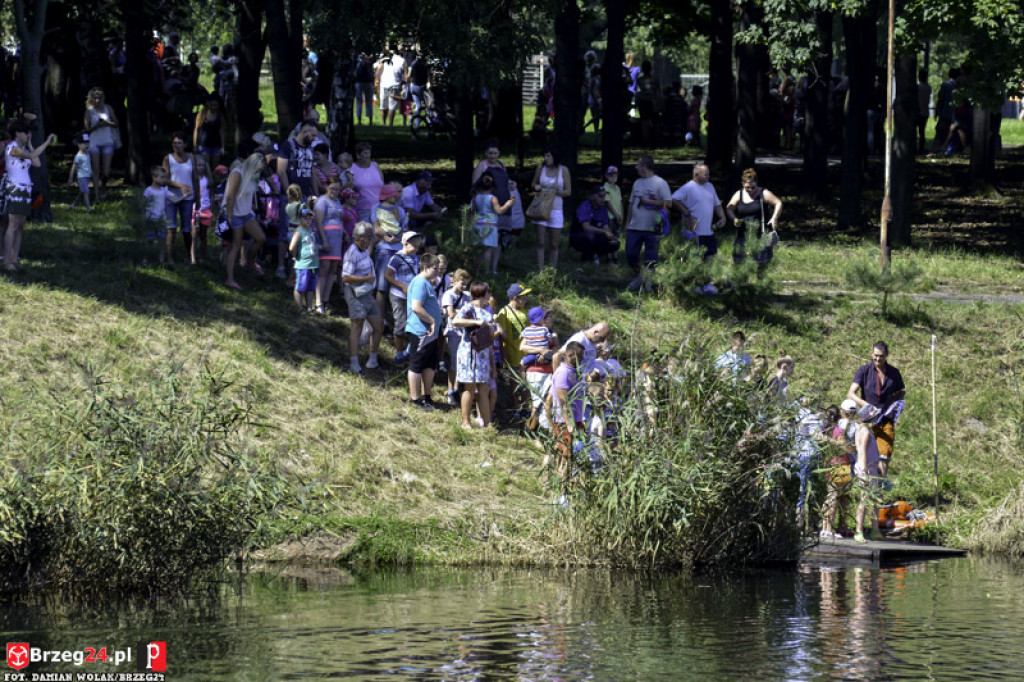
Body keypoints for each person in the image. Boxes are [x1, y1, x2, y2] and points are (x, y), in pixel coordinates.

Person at [2, 120, 55, 271]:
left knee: (20, 227)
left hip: (25, 190)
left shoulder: (24, 148)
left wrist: (31, 143)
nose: (28, 135)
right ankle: (6, 261)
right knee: (12, 225)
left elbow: (36, 162)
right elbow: (33, 155)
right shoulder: (12, 148)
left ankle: (15, 258)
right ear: (17, 133)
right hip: (15, 189)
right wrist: (46, 143)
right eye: (25, 132)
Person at [846, 341, 905, 477]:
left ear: (887, 355)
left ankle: (879, 487)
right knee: (866, 458)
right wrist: (866, 405)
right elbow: (851, 393)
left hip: (886, 421)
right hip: (868, 421)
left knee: (884, 458)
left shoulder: (894, 373)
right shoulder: (864, 371)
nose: (878, 359)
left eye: (881, 356)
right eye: (876, 355)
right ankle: (865, 486)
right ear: (872, 353)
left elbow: (901, 391)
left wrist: (896, 404)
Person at [623, 155, 672, 292]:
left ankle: (649, 285)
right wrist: (627, 223)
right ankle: (640, 277)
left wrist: (649, 202)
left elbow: (668, 203)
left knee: (651, 259)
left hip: (653, 227)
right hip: (635, 226)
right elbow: (631, 204)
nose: (636, 167)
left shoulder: (660, 183)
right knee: (630, 255)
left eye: (638, 165)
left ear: (644, 166)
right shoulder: (637, 182)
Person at [222, 144, 268, 291]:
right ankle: (230, 279)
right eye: (258, 169)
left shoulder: (251, 176)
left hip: (246, 213)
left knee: (261, 238)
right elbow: (230, 196)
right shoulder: (238, 173)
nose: (259, 172)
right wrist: (229, 216)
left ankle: (250, 262)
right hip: (235, 214)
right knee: (236, 246)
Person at [453, 281, 496, 429]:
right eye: (488, 291)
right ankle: (466, 422)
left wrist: (490, 328)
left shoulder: (487, 311)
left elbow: (491, 335)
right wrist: (476, 322)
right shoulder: (468, 307)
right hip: (469, 351)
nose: (490, 294)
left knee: (484, 388)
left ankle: (486, 423)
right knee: (469, 387)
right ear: (482, 293)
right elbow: (455, 321)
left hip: (483, 352)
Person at [725, 168, 783, 277]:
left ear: (756, 183)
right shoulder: (739, 194)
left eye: (753, 186)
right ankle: (740, 285)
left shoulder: (763, 193)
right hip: (743, 234)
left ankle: (761, 286)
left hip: (761, 235)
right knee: (739, 261)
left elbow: (778, 203)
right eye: (747, 187)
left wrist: (774, 217)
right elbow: (729, 208)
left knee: (762, 263)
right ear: (742, 184)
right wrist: (734, 219)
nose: (750, 189)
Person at [342, 222, 383, 373]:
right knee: (357, 325)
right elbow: (345, 277)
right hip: (355, 294)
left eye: (369, 236)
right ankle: (354, 364)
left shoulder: (364, 250)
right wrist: (365, 279)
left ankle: (372, 360)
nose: (368, 239)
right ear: (359, 237)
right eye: (367, 236)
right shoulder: (352, 253)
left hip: (367, 294)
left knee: (378, 326)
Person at [406, 253, 443, 410]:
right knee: (417, 364)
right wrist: (432, 320)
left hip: (430, 333)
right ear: (425, 267)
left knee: (429, 364)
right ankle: (415, 399)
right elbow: (416, 306)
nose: (437, 272)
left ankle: (427, 397)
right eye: (435, 268)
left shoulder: (427, 282)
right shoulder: (420, 282)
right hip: (420, 331)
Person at [550, 340, 586, 499]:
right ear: (570, 355)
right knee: (564, 458)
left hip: (576, 421)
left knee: (574, 459)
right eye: (580, 356)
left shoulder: (572, 370)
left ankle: (570, 492)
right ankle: (561, 495)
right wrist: (569, 423)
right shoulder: (564, 372)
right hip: (566, 423)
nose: (582, 359)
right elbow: (563, 400)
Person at [672, 162, 726, 263]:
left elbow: (717, 204)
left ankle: (708, 278)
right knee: (694, 261)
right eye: (706, 174)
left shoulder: (710, 186)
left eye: (708, 174)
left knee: (711, 259)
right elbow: (673, 199)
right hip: (694, 233)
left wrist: (722, 217)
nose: (708, 176)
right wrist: (684, 211)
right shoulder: (688, 187)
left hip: (709, 232)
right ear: (697, 175)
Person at [820, 399, 858, 540]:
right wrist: (853, 447)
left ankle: (826, 528)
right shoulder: (840, 430)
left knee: (831, 496)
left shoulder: (829, 430)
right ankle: (829, 528)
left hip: (832, 464)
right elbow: (843, 446)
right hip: (841, 465)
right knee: (835, 497)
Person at [530, 147, 572, 271]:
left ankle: (552, 269)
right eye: (545, 155)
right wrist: (536, 187)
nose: (546, 158)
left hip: (556, 208)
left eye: (549, 156)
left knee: (554, 243)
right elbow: (533, 184)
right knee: (540, 241)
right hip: (541, 207)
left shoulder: (563, 170)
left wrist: (556, 192)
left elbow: (568, 191)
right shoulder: (540, 168)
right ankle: (540, 270)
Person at [162, 131, 198, 264]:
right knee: (171, 228)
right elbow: (164, 179)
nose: (177, 145)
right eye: (175, 143)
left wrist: (198, 198)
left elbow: (195, 178)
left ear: (185, 144)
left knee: (187, 229)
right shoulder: (168, 159)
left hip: (188, 197)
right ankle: (169, 257)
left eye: (179, 143)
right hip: (171, 198)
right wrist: (179, 185)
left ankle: (189, 255)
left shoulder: (191, 158)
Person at [385, 231, 422, 363]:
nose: (417, 249)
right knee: (400, 324)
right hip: (399, 296)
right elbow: (388, 276)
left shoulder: (416, 258)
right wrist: (402, 287)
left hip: (413, 296)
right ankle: (399, 353)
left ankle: (409, 350)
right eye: (414, 246)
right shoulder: (396, 258)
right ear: (405, 244)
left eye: (418, 246)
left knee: (415, 324)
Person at [520, 306, 559, 430]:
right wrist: (541, 351)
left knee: (548, 403)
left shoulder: (552, 332)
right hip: (536, 370)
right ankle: (531, 429)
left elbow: (558, 349)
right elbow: (522, 347)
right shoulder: (536, 331)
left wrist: (548, 353)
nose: (551, 320)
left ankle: (544, 430)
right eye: (549, 317)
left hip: (550, 370)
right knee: (537, 404)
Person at [471, 171, 515, 275]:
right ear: (492, 187)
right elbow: (499, 211)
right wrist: (508, 204)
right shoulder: (492, 198)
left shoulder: (475, 198)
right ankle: (486, 272)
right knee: (488, 250)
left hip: (477, 225)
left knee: (478, 250)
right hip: (490, 226)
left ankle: (476, 271)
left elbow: (473, 214)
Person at [313, 177, 345, 315]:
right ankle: (318, 302)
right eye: (332, 188)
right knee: (324, 269)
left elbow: (339, 219)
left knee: (332, 270)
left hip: (337, 238)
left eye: (337, 189)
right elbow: (319, 223)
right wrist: (324, 240)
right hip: (325, 237)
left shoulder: (337, 201)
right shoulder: (322, 201)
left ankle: (326, 299)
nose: (334, 192)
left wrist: (344, 233)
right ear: (326, 187)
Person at [852, 404, 884, 544]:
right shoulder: (864, 431)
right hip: (866, 470)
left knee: (874, 500)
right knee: (864, 500)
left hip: (872, 469)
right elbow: (862, 452)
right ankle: (858, 531)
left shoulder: (866, 430)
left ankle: (875, 530)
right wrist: (864, 472)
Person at [442, 268, 472, 406]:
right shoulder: (448, 295)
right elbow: (451, 314)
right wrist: (462, 312)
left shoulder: (466, 297)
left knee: (461, 363)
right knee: (454, 362)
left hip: (464, 333)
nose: (464, 286)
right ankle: (450, 391)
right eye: (462, 283)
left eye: (466, 284)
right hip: (454, 332)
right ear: (453, 281)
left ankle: (456, 388)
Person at [82, 88, 119, 199]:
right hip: (94, 143)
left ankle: (103, 185)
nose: (97, 100)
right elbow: (86, 129)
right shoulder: (89, 112)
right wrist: (97, 126)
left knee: (106, 171)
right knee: (96, 169)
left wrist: (107, 123)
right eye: (95, 98)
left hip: (108, 141)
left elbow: (116, 123)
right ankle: (97, 195)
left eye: (99, 98)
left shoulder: (108, 108)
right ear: (91, 99)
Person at [570, 185, 619, 263]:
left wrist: (611, 237)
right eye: (600, 196)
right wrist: (604, 232)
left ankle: (595, 255)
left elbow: (605, 226)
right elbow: (586, 227)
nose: (603, 199)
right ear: (592, 197)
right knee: (589, 236)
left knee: (615, 244)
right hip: (578, 236)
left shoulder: (603, 208)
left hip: (596, 235)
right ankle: (586, 259)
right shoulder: (585, 206)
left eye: (604, 196)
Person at [495, 282, 531, 371]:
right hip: (512, 355)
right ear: (514, 298)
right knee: (515, 382)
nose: (525, 298)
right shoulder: (504, 312)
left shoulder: (525, 311)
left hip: (527, 354)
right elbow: (501, 336)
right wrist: (503, 354)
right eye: (523, 296)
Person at [277, 122, 318, 201]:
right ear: (305, 132)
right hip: (290, 195)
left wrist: (316, 195)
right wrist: (289, 194)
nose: (314, 138)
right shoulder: (288, 145)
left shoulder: (310, 149)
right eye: (313, 135)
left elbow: (312, 173)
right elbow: (281, 171)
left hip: (306, 195)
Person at [289, 206, 319, 312]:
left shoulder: (311, 230)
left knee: (311, 287)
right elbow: (292, 246)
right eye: (305, 218)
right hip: (303, 265)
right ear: (299, 219)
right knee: (300, 287)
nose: (308, 220)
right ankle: (299, 308)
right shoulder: (299, 231)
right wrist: (295, 255)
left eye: (310, 218)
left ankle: (309, 307)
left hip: (314, 264)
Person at [142, 165, 173, 265]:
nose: (164, 179)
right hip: (150, 219)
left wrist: (185, 195)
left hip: (161, 220)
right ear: (154, 178)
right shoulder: (148, 191)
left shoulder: (164, 191)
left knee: (162, 240)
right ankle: (145, 259)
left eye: (165, 177)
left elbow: (174, 199)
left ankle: (161, 260)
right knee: (149, 240)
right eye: (162, 177)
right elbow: (142, 204)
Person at [351, 141, 384, 223]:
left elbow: (382, 184)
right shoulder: (352, 168)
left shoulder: (375, 166)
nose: (367, 155)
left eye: (369, 153)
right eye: (365, 153)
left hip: (378, 207)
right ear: (358, 155)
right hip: (361, 208)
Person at [193, 94, 226, 170]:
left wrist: (223, 146)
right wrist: (195, 145)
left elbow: (222, 131)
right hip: (204, 145)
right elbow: (196, 129)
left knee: (215, 168)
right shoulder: (202, 114)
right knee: (205, 167)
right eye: (211, 105)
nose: (213, 107)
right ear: (208, 104)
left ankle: (214, 181)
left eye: (215, 105)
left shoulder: (220, 116)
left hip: (216, 145)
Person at [67, 134, 94, 212]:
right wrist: (71, 178)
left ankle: (73, 204)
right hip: (81, 177)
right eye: (84, 143)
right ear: (79, 145)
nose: (87, 145)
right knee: (86, 192)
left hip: (87, 176)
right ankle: (88, 208)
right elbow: (73, 167)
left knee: (83, 191)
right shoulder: (78, 156)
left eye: (88, 143)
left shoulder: (88, 153)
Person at [354, 54, 375, 125]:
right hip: (368, 82)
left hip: (359, 82)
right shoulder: (369, 62)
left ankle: (359, 120)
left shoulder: (358, 63)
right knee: (368, 102)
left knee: (359, 102)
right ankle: (370, 120)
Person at [602, 166, 623, 232]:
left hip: (618, 217)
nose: (613, 177)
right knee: (610, 236)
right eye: (611, 175)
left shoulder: (618, 188)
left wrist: (621, 216)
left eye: (615, 175)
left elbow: (620, 202)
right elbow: (607, 203)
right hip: (610, 217)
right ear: (606, 176)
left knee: (617, 236)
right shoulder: (605, 187)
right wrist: (616, 215)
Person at [917, 68, 932, 154]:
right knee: (922, 131)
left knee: (918, 131)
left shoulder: (918, 87)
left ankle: (917, 148)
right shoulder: (928, 87)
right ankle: (921, 148)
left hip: (918, 111)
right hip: (925, 111)